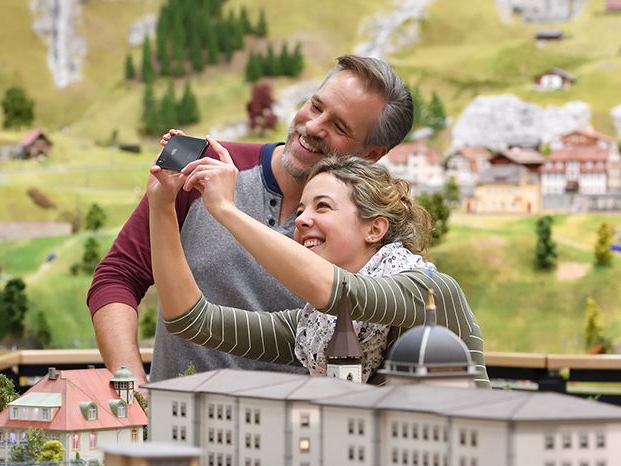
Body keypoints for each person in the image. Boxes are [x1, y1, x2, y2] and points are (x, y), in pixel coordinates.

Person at [88, 55, 415, 383]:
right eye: (315, 107)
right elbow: (119, 275)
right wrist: (133, 388)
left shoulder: (368, 237)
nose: (313, 127)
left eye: (339, 127)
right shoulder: (204, 167)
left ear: (372, 155)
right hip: (174, 425)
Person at [148, 141, 489, 387]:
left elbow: (343, 293)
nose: (302, 221)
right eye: (300, 211)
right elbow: (191, 321)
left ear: (375, 228)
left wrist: (227, 210)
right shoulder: (316, 329)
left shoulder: (428, 291)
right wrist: (162, 204)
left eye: (322, 207)